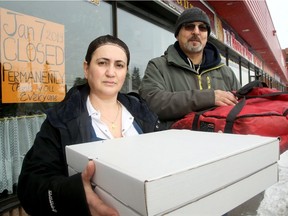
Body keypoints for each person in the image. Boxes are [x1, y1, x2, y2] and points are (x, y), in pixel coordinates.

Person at [17, 35, 162, 216]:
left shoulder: (144, 114)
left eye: (119, 65)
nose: (111, 72)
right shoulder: (62, 120)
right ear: (86, 68)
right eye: (102, 63)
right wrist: (74, 194)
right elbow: (29, 186)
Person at [139, 7, 241, 128]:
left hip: (222, 143)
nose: (196, 32)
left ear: (207, 36)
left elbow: (241, 108)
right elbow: (152, 104)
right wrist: (209, 97)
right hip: (176, 145)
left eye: (202, 28)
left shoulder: (226, 72)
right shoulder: (158, 66)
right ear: (177, 34)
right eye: (189, 26)